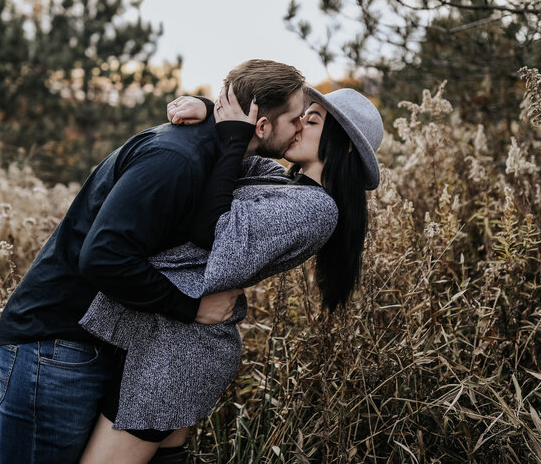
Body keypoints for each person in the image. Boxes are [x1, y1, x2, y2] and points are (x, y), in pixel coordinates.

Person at [0, 59, 308, 463]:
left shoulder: (218, 157)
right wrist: (191, 308)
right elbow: (104, 257)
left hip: (96, 343)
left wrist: (209, 108)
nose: (300, 126)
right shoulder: (177, 159)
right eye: (297, 119)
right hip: (56, 345)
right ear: (261, 127)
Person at [78, 83, 384, 464]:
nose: (298, 125)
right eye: (301, 117)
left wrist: (228, 131)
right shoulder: (277, 179)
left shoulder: (317, 210)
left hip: (178, 353)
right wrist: (208, 108)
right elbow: (235, 144)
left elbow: (212, 229)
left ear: (347, 146)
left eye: (313, 120)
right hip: (168, 337)